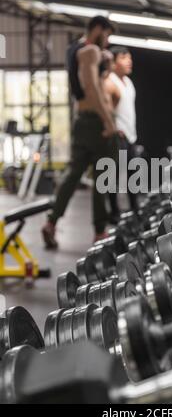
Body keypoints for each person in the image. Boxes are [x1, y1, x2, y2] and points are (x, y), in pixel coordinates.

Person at [42, 16, 117, 249]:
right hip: (95, 121)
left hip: (82, 121)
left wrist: (106, 62)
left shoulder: (75, 49)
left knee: (75, 172)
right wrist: (108, 121)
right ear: (97, 29)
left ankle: (52, 222)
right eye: (107, 35)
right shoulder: (90, 51)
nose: (107, 41)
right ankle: (99, 231)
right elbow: (91, 88)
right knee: (103, 176)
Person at [104, 46, 138, 222]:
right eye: (124, 58)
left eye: (130, 58)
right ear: (114, 62)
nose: (129, 61)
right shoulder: (110, 82)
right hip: (118, 136)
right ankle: (114, 212)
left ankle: (135, 210)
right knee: (113, 175)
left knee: (133, 173)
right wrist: (114, 129)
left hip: (130, 135)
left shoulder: (128, 82)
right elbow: (106, 110)